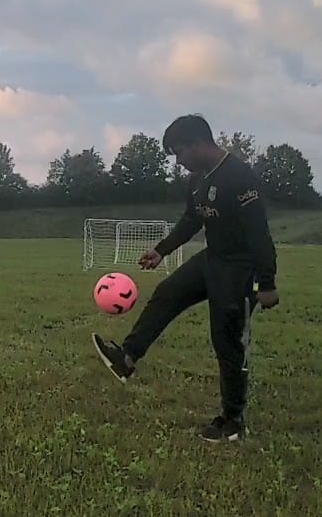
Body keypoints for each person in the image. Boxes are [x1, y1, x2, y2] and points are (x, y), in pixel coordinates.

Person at [92, 114, 279, 442]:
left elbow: (259, 233)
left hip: (240, 268)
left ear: (199, 143)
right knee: (168, 292)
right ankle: (127, 357)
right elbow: (192, 220)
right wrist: (162, 250)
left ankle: (232, 419)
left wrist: (266, 282)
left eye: (180, 152)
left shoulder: (239, 177)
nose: (179, 161)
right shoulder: (197, 181)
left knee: (227, 340)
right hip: (212, 259)